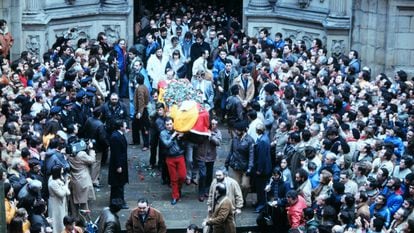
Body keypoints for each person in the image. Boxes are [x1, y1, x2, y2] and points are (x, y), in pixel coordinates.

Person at [159, 117, 186, 205]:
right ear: (165, 125)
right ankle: (175, 196)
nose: (169, 126)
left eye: (171, 124)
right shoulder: (163, 133)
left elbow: (184, 144)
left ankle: (178, 189)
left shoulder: (178, 130)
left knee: (182, 176)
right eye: (167, 124)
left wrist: (180, 138)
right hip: (170, 158)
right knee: (173, 178)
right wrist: (173, 136)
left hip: (180, 156)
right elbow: (166, 144)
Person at [108, 120, 129, 209]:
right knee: (118, 184)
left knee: (120, 183)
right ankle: (118, 202)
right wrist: (118, 165)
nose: (126, 126)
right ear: (121, 127)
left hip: (121, 162)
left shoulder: (119, 134)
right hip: (118, 163)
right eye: (125, 125)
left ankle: (118, 200)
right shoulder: (115, 137)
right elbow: (116, 153)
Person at [47, 165, 70, 233]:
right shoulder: (52, 182)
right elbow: (61, 194)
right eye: (61, 169)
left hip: (60, 202)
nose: (63, 170)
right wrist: (66, 184)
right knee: (57, 219)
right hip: (55, 204)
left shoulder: (59, 178)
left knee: (61, 217)